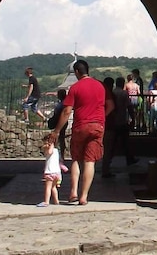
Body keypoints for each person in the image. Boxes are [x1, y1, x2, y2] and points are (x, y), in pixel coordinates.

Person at [48, 59, 106, 206]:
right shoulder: (100, 86)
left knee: (76, 159)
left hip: (81, 126)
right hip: (97, 126)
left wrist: (56, 131)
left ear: (77, 72)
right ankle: (84, 196)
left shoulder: (75, 87)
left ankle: (73, 192)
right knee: (90, 161)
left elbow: (67, 111)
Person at [102, 76, 137, 177]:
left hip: (111, 123)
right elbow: (129, 107)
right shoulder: (123, 93)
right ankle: (129, 158)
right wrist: (133, 119)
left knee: (110, 146)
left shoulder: (111, 93)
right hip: (121, 121)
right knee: (125, 142)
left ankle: (107, 166)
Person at [47, 88, 70, 171]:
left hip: (59, 123)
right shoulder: (65, 103)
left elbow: (57, 114)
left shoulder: (60, 104)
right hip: (64, 122)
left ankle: (58, 156)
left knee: (57, 139)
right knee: (61, 139)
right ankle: (61, 156)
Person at [37, 134, 62, 207]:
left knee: (48, 188)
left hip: (50, 172)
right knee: (53, 187)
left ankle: (46, 201)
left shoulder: (51, 150)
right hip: (57, 173)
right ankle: (56, 201)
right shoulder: (57, 150)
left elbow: (49, 152)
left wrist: (50, 146)